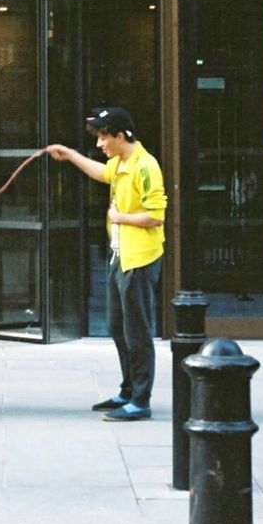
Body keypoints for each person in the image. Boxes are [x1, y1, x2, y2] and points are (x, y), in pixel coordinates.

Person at [47, 106, 166, 422]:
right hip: (120, 255)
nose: (100, 144)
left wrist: (120, 218)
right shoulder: (121, 162)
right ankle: (128, 391)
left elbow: (156, 216)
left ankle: (141, 400)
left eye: (103, 136)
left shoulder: (145, 166)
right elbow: (101, 172)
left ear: (120, 135)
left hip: (139, 259)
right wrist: (70, 155)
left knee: (137, 332)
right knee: (117, 326)